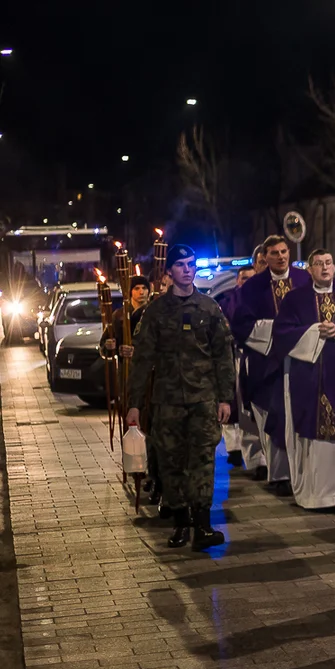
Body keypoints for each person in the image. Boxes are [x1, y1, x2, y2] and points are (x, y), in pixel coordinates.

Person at [126, 245, 235, 551]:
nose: (188, 269)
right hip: (168, 400)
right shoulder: (156, 311)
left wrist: (225, 398)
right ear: (169, 272)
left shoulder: (209, 308)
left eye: (191, 264)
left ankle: (202, 526)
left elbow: (222, 356)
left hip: (203, 399)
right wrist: (134, 403)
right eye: (181, 265)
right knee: (171, 462)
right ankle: (180, 525)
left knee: (202, 462)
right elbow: (142, 359)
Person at [273, 249, 335, 514]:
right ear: (309, 269)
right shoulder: (294, 300)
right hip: (308, 379)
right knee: (313, 438)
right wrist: (314, 332)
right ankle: (315, 496)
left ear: (334, 265)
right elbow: (281, 333)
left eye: (328, 262)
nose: (325, 268)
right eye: (318, 264)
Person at [232, 235, 312, 492]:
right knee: (274, 417)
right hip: (268, 363)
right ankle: (280, 476)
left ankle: (303, 473)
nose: (280, 256)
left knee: (301, 417)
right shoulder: (253, 287)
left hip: (302, 360)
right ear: (264, 257)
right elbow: (241, 325)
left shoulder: (304, 281)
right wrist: (279, 332)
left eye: (283, 251)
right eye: (274, 253)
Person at [219, 266, 258, 468]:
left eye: (252, 278)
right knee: (233, 401)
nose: (248, 281)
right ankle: (233, 448)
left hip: (256, 356)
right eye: (244, 278)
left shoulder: (261, 298)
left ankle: (254, 457)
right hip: (233, 355)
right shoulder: (227, 301)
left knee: (250, 406)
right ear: (237, 281)